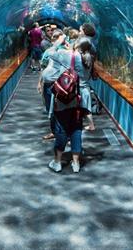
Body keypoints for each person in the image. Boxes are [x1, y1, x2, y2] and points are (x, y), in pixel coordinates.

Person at [42, 42, 88, 173]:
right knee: (76, 129)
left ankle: (57, 162)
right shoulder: (86, 58)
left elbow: (49, 55)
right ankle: (76, 163)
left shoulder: (65, 55)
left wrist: (58, 43)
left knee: (61, 129)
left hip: (63, 102)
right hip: (79, 101)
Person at [74, 23, 98, 131]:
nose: (79, 32)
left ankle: (79, 124)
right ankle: (87, 123)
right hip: (85, 79)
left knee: (80, 102)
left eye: (80, 30)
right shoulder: (90, 50)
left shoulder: (86, 45)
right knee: (85, 102)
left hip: (80, 81)